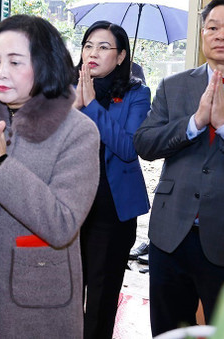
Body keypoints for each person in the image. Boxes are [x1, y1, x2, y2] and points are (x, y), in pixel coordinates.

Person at [0, 14, 100, 338]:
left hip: (35, 301)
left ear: (45, 64)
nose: (0, 72)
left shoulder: (78, 131)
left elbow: (62, 223)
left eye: (14, 61)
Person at [134, 0, 224, 335]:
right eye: (213, 27)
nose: (221, 34)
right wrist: (194, 123)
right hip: (171, 236)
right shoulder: (175, 86)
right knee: (167, 331)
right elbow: (145, 143)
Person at [73, 21, 151, 339]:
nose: (93, 52)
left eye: (104, 47)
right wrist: (74, 105)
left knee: (102, 297)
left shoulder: (136, 93)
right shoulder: (67, 89)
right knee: (66, 290)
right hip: (71, 203)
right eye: (88, 45)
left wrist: (91, 105)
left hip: (112, 207)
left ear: (120, 57)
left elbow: (128, 148)